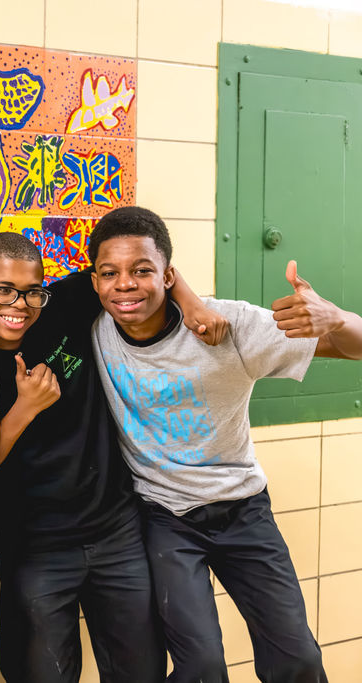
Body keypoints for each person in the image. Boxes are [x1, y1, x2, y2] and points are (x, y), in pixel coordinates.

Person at [88, 205, 362, 683]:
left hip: (243, 511)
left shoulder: (228, 326)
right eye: (110, 273)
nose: (125, 284)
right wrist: (184, 293)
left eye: (143, 271)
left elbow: (355, 345)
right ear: (95, 281)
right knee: (202, 668)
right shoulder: (94, 328)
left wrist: (336, 318)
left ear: (168, 275)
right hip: (165, 517)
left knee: (298, 660)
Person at [0, 231, 222, 683]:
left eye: (31, 291)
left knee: (141, 669)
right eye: (2, 290)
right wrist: (25, 408)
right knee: (40, 671)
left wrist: (193, 303)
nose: (19, 304)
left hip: (116, 532)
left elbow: (138, 269)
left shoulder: (62, 306)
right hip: (34, 545)